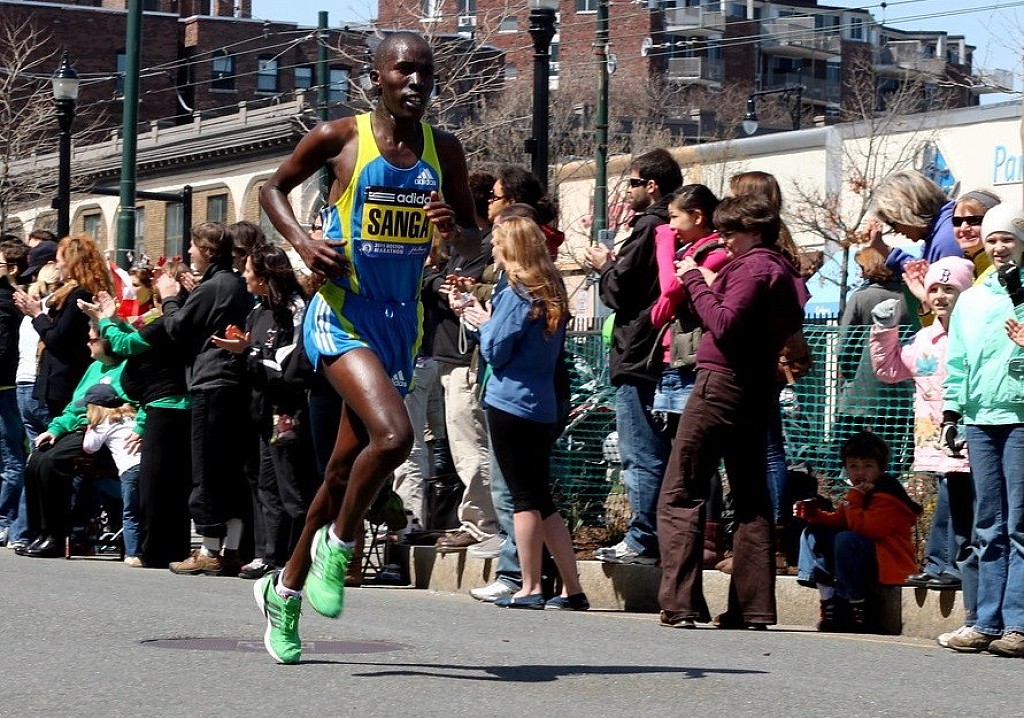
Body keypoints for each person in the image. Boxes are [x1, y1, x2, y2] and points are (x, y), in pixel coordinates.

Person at [255, 31, 480, 664]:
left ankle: (284, 590)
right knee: (395, 437)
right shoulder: (340, 137)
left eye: (426, 72)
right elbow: (272, 188)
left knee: (340, 470)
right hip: (342, 314)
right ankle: (341, 545)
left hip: (400, 323)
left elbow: (473, 239)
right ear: (377, 77)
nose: (417, 82)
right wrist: (303, 243)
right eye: (404, 70)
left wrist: (452, 231)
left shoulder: (445, 149)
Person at [657, 195, 807, 630]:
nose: (724, 241)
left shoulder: (751, 268)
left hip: (720, 383)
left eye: (730, 233)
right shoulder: (783, 271)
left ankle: (680, 604)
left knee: (681, 491)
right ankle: (752, 607)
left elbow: (723, 323)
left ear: (754, 231)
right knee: (751, 496)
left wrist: (695, 280)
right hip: (758, 389)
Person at [457, 216, 587, 610]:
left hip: (510, 402)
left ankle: (530, 586)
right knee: (542, 499)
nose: (493, 249)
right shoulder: (550, 288)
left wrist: (482, 321)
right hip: (542, 402)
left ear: (512, 247)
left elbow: (495, 351)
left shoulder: (516, 292)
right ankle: (572, 588)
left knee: (523, 498)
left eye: (497, 243)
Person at [585, 148, 684, 566]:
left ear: (652, 186)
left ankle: (644, 538)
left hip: (639, 350)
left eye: (633, 182)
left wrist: (605, 266)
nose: (628, 191)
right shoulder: (673, 225)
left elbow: (621, 291)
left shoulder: (650, 226)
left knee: (640, 450)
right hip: (661, 352)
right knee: (664, 451)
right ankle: (661, 535)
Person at [943, 203, 1024, 657]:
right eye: (992, 239)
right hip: (980, 418)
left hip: (1020, 415)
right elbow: (957, 360)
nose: (998, 246)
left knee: (1020, 524)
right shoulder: (972, 298)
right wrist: (951, 412)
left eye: (1007, 238)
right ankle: (985, 621)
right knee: (988, 523)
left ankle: (1019, 624)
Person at [211, 245, 317, 581]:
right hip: (261, 409)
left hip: (287, 410)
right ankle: (269, 555)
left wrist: (251, 353)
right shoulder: (258, 310)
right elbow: (254, 358)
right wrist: (241, 350)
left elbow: (293, 363)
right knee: (265, 486)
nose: (243, 275)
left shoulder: (296, 309)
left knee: (291, 487)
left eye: (248, 270)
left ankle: (302, 558)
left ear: (265, 275)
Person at [870, 256, 975, 592]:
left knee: (958, 497)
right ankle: (940, 564)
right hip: (934, 435)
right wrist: (884, 329)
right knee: (949, 493)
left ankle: (951, 565)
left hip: (966, 433)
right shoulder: (925, 338)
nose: (941, 296)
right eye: (935, 289)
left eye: (950, 289)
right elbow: (889, 370)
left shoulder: (975, 333)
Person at [154, 222, 253, 577]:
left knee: (207, 468)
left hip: (211, 383)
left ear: (208, 251)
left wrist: (169, 297)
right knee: (232, 467)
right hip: (234, 383)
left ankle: (210, 549)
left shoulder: (214, 286)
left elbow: (177, 327)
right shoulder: (234, 283)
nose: (189, 252)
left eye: (194, 246)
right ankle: (232, 549)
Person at [795, 432, 922, 633]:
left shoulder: (888, 496)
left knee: (847, 539)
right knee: (812, 534)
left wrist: (854, 498)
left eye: (868, 466)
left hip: (885, 564)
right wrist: (814, 515)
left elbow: (865, 529)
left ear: (881, 468)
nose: (860, 472)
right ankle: (829, 601)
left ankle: (856, 606)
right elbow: (840, 519)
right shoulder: (860, 493)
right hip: (860, 559)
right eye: (853, 466)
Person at [17, 322, 125, 558]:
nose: (88, 343)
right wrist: (54, 430)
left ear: (107, 342)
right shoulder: (94, 368)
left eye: (93, 339)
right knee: (35, 459)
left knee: (51, 463)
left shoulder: (125, 368)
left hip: (102, 431)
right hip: (77, 428)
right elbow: (73, 406)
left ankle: (57, 536)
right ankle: (41, 532)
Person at [833, 245, 913, 477]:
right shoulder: (909, 298)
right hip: (898, 391)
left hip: (860, 392)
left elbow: (844, 344)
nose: (860, 272)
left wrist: (847, 373)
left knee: (851, 454)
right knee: (889, 455)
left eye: (861, 267)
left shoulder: (860, 297)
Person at [14, 234, 113, 420]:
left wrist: (37, 315)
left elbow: (58, 340)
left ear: (72, 263)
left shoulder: (80, 295)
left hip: (68, 386)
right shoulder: (73, 293)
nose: (57, 265)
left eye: (59, 260)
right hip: (62, 384)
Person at [80, 383, 142, 567]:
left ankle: (132, 553)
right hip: (147, 467)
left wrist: (90, 427)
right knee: (146, 509)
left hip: (129, 470)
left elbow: (89, 447)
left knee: (130, 513)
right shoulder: (131, 417)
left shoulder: (103, 422)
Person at [866, 169, 962, 279]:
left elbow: (938, 285)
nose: (896, 231)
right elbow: (926, 273)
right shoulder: (939, 232)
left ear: (907, 211)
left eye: (892, 223)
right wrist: (884, 249)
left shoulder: (947, 240)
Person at [0, 238, 27, 548]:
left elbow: (4, 347)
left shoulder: (6, 300)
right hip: (9, 384)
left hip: (7, 386)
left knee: (10, 456)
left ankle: (6, 521)